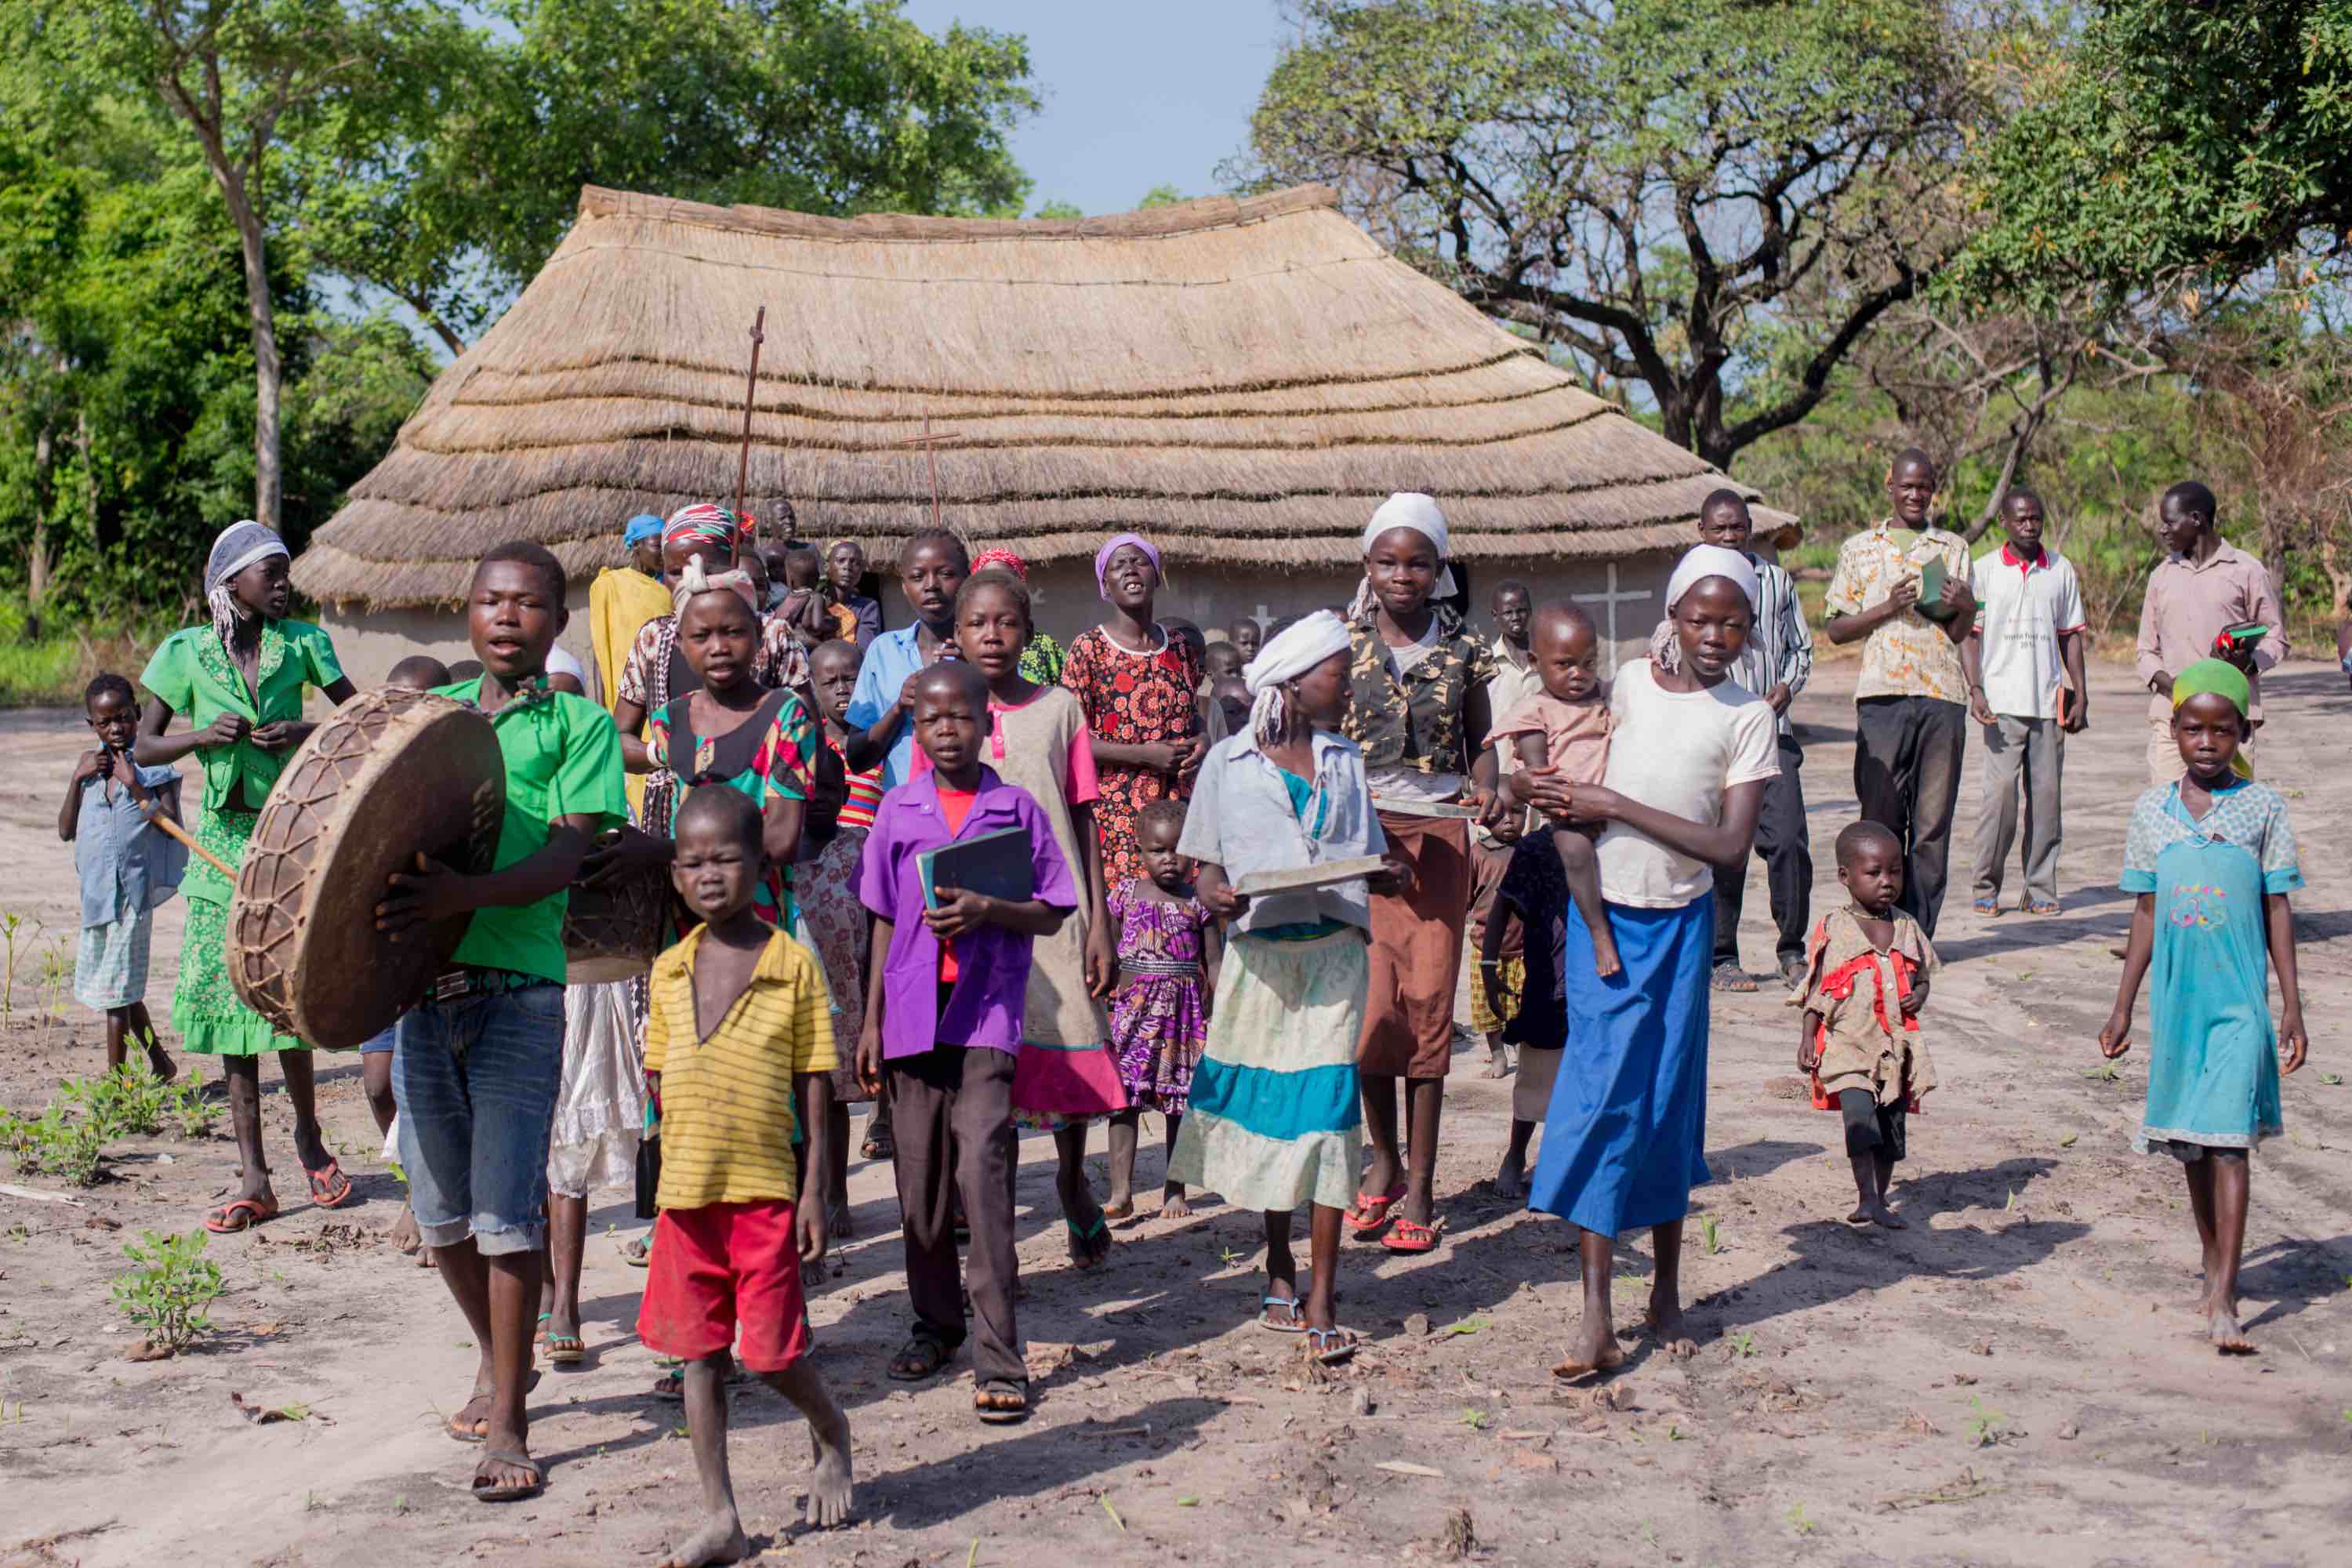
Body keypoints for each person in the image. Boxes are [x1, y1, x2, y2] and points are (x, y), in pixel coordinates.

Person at [376, 539, 627, 1502]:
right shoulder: (429, 726)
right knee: (439, 1218)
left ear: (556, 624)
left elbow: (567, 860)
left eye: (528, 603)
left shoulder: (579, 724)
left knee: (505, 1215)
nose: (508, 616)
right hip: (419, 994)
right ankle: (498, 1352)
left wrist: (463, 897)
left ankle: (514, 1422)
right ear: (468, 615)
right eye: (491, 600)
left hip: (522, 985)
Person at [1517, 544, 1777, 1377]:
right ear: (1672, 617)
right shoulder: (1625, 683)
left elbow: (1730, 846)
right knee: (1600, 1098)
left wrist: (1615, 804)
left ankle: (1664, 1288)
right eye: (1699, 617)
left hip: (1683, 923)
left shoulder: (1747, 717)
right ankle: (1595, 1310)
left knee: (1667, 1099)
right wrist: (1536, 787)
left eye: (1732, 620)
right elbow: (1555, 747)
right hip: (1608, 923)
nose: (1715, 633)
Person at [855, 661, 1078, 1424]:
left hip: (985, 1016)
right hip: (913, 1018)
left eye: (961, 717)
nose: (946, 730)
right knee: (918, 1190)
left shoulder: (1013, 809)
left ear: (988, 724)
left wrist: (991, 906)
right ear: (916, 730)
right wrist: (870, 1018)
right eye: (931, 720)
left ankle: (1000, 1353)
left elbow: (1052, 908)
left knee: (983, 1175)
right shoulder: (898, 807)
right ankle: (935, 1323)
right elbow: (882, 916)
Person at [637, 786, 853, 1563]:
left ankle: (830, 1426)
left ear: (760, 863)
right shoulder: (666, 971)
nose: (708, 875)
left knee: (769, 1353)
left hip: (764, 1192)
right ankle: (721, 1513)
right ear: (674, 875)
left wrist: (818, 1187)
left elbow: (816, 1081)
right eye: (690, 862)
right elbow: (659, 1081)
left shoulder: (791, 961)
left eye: (726, 858)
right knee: (697, 1354)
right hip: (686, 1198)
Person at [1169, 611, 1390, 1362]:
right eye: (1338, 672)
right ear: (1296, 682)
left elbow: (1368, 854)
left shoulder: (1344, 760)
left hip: (1333, 955)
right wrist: (1214, 894)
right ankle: (1277, 1260)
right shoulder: (1227, 765)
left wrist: (1390, 872)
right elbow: (1204, 868)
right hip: (1261, 956)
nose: (1349, 684)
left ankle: (1323, 1294)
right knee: (1274, 1113)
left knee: (1328, 1113)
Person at [136, 520, 361, 1232]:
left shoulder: (305, 644)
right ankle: (254, 1177)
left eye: (284, 569)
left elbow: (356, 718)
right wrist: (202, 736)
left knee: (287, 998)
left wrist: (302, 733)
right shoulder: (185, 653)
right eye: (268, 570)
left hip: (291, 838)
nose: (281, 580)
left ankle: (310, 1138)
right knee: (236, 1010)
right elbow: (145, 742)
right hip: (220, 846)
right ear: (229, 581)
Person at [2100, 659, 2306, 1355]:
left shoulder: (2264, 808)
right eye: (2194, 729)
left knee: (2231, 1142)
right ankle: (2214, 1258)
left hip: (2241, 1002)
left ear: (2244, 731)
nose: (2209, 742)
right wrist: (2123, 1006)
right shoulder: (2150, 811)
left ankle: (2224, 1296)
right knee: (2193, 1143)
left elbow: (2278, 908)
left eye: (2224, 730)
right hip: (2178, 1005)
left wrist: (2292, 1008)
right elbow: (2146, 912)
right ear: (2176, 731)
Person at [928, 569, 1123, 1261]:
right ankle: (992, 1230)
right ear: (955, 635)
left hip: (1053, 911)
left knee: (1065, 1051)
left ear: (1028, 633)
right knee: (985, 1070)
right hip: (971, 917)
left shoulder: (1060, 709)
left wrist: (1099, 920)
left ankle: (1073, 1184)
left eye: (1006, 622)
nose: (991, 635)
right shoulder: (945, 709)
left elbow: (1083, 816)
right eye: (977, 623)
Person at [1339, 494, 1497, 1256]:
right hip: (1362, 842)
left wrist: (1492, 787)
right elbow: (1323, 751)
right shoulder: (1341, 645)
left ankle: (1424, 1185)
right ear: (1368, 567)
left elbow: (1482, 738)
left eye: (1417, 562)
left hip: (1439, 838)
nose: (1403, 575)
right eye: (1388, 561)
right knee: (1372, 1017)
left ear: (1438, 569)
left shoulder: (1465, 645)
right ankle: (1384, 1160)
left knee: (1430, 1010)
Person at [1821, 449, 1975, 937]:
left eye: (1924, 486)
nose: (1916, 494)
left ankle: (1918, 938)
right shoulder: (1860, 548)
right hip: (1882, 698)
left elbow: (1959, 633)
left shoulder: (1953, 547)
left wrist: (1966, 605)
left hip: (1942, 699)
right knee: (1882, 821)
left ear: (1934, 489)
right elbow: (1837, 630)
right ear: (1890, 486)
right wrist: (1887, 607)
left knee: (1932, 827)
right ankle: (1879, 930)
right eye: (1907, 486)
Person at [1690, 493, 1815, 990]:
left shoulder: (1776, 582)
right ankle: (1722, 956)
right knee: (1725, 849)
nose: (1729, 536)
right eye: (1719, 528)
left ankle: (1792, 950)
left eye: (1738, 527)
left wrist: (1786, 686)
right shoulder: (1692, 584)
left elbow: (1802, 650)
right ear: (1702, 530)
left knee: (1788, 842)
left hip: (1773, 734)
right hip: (1715, 738)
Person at [1792, 822, 1937, 1229]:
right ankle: (1866, 1197)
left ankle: (1881, 1200)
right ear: (1845, 877)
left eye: (1895, 871)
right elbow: (1817, 988)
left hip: (1895, 1051)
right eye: (1874, 873)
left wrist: (1919, 996)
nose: (1887, 882)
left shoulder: (1906, 927)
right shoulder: (1834, 929)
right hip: (1848, 1047)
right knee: (1860, 1122)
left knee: (1891, 1132)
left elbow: (1924, 975)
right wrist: (1807, 1036)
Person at [358, 654, 453, 1261]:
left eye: (417, 701)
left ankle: (429, 1196)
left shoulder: (456, 776)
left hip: (436, 958)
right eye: (394, 701)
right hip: (375, 955)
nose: (404, 713)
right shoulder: (362, 769)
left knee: (422, 1085)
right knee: (375, 1086)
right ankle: (416, 1181)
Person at [1963, 488, 2089, 916]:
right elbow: (1970, 637)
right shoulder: (1983, 571)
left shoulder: (2060, 569)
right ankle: (1986, 885)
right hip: (2001, 704)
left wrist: (2081, 694)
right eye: (2021, 519)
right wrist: (1975, 689)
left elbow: (2070, 634)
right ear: (2004, 521)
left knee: (2047, 802)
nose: (2029, 526)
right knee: (2000, 801)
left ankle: (2039, 889)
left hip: (2048, 704)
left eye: (2036, 518)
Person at [1061, 533, 1206, 889]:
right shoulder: (1088, 650)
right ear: (1105, 586)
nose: (1130, 570)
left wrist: (1203, 738)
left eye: (1140, 562)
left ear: (1157, 575)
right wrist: (1143, 756)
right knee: (1129, 922)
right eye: (1118, 565)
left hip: (1182, 810)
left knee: (1187, 922)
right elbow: (1069, 737)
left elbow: (1193, 715)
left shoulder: (1181, 647)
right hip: (1119, 816)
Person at [60, 673, 185, 1082]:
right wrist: (78, 779)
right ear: (91, 725)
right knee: (124, 990)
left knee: (115, 995)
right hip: (98, 897)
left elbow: (170, 824)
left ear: (138, 712)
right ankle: (162, 1064)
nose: (117, 728)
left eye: (125, 717)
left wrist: (136, 788)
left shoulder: (154, 764)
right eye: (105, 721)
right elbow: (66, 830)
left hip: (134, 895)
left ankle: (116, 1088)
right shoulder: (89, 767)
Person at [800, 637, 889, 1201]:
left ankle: (874, 1142)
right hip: (817, 976)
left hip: (861, 947)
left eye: (850, 678)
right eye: (828, 680)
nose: (841, 689)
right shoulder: (801, 750)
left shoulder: (880, 747)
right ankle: (826, 1195)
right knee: (816, 1091)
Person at [1104, 798, 1219, 1220]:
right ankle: (1121, 1191)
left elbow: (1215, 958)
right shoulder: (1125, 895)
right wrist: (1106, 995)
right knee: (1124, 1101)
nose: (1169, 860)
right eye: (1158, 851)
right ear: (1140, 852)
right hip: (1133, 1015)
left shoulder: (1198, 902)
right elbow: (1109, 952)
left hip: (1183, 1018)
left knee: (1178, 1104)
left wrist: (1219, 1000)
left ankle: (1175, 1189)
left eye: (1178, 850)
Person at [1488, 604, 1617, 977]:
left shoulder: (1604, 696)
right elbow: (1539, 776)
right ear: (1535, 661)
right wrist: (1572, 810)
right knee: (1576, 853)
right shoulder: (1534, 712)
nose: (1579, 675)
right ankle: (1599, 934)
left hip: (1615, 805)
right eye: (1565, 665)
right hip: (1569, 811)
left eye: (1589, 664)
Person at [615, 504, 753, 839]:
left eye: (707, 567)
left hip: (750, 814)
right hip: (668, 819)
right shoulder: (652, 639)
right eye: (676, 571)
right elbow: (617, 740)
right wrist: (661, 752)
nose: (694, 581)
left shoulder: (771, 636)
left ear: (732, 562)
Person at [2135, 481, 2287, 785]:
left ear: (2196, 519)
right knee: (2170, 816)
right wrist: (2174, 688)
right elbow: (2146, 651)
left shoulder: (2246, 570)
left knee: (2230, 818)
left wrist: (2248, 663)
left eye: (2169, 522)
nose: (2163, 531)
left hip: (2231, 722)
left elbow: (2276, 636)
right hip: (2171, 720)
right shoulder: (2161, 575)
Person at [1467, 580, 1538, 1076]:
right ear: (1495, 615)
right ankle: (1494, 1034)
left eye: (1523, 610)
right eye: (1508, 611)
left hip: (1534, 793)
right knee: (1490, 885)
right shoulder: (1486, 667)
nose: (1516, 618)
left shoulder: (1541, 662)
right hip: (1496, 792)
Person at [843, 528, 968, 789]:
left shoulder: (985, 653)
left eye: (945, 573)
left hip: (976, 815)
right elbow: (857, 758)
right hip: (908, 819)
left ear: (966, 580)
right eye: (917, 576)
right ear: (904, 587)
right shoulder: (884, 651)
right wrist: (899, 708)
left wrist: (976, 677)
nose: (931, 584)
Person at [1482, 829, 1563, 1201]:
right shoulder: (1538, 847)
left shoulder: (1610, 841)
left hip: (1598, 985)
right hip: (1549, 985)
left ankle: (1565, 1165)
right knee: (1534, 1079)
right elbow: (1503, 904)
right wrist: (1488, 964)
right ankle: (1515, 1156)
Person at [590, 514, 676, 820]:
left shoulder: (668, 590)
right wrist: (603, 709)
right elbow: (601, 649)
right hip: (624, 698)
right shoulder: (610, 585)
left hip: (659, 695)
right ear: (636, 546)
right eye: (657, 545)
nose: (663, 554)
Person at [968, 547, 1066, 684]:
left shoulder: (1045, 647)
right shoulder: (967, 646)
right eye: (988, 580)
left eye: (1006, 580)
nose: (997, 587)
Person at [826, 538, 884, 648]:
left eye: (855, 562)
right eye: (841, 560)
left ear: (861, 571)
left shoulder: (867, 607)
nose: (847, 567)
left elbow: (865, 651)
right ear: (828, 566)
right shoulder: (816, 602)